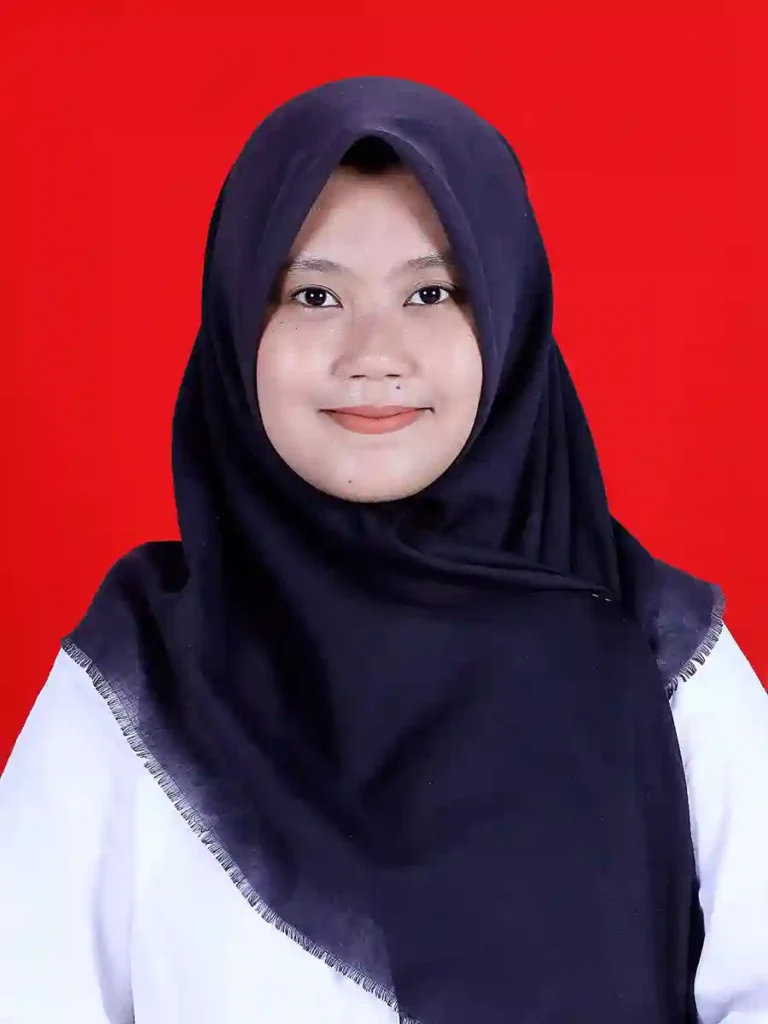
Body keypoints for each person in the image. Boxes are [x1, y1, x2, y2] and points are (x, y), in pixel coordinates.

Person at [0, 75, 766, 1024]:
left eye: (432, 293)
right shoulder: (134, 682)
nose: (373, 352)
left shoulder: (661, 660)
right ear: (239, 321)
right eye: (315, 294)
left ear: (510, 320)